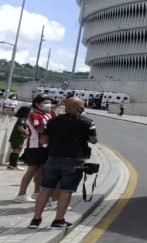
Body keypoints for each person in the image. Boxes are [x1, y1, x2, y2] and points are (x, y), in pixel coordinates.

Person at [29, 96, 98, 229]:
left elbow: (43, 141)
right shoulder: (88, 122)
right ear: (80, 108)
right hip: (74, 161)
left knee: (45, 190)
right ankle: (58, 220)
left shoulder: (52, 121)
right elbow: (94, 140)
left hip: (53, 159)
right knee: (66, 191)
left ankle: (35, 220)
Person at [13, 95, 53, 203]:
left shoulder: (47, 114)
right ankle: (21, 194)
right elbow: (40, 129)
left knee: (40, 172)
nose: (48, 104)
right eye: (45, 102)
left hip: (45, 147)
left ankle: (36, 193)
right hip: (35, 147)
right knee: (31, 171)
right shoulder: (35, 115)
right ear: (37, 104)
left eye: (49, 102)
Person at [6, 105, 30, 169]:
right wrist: (27, 133)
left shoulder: (23, 118)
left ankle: (13, 165)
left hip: (18, 137)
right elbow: (20, 128)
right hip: (18, 137)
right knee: (16, 150)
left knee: (16, 150)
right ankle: (13, 165)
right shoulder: (22, 119)